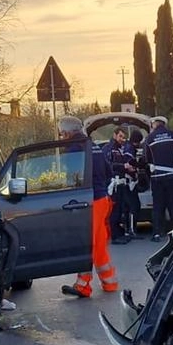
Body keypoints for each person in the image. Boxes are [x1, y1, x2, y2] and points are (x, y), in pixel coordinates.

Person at [58, 116, 119, 298]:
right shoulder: (93, 146)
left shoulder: (74, 149)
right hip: (101, 199)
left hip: (88, 201)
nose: (61, 137)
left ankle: (83, 285)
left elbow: (72, 178)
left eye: (61, 133)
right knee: (98, 243)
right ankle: (110, 283)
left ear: (67, 133)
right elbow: (109, 172)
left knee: (86, 244)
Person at [144, 115, 173, 242]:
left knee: (158, 206)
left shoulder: (150, 138)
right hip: (172, 177)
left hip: (157, 178)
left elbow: (146, 159)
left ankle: (157, 232)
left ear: (155, 124)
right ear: (164, 123)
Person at [104, 127, 133, 244]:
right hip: (114, 184)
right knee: (114, 211)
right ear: (114, 135)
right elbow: (109, 165)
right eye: (120, 136)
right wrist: (124, 166)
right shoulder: (109, 149)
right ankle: (115, 237)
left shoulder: (119, 149)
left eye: (124, 137)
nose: (122, 139)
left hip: (121, 183)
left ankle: (119, 232)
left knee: (120, 209)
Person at [122, 130, 145, 237]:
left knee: (128, 206)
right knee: (134, 206)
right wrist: (140, 164)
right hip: (129, 182)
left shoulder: (127, 146)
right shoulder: (129, 148)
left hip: (128, 182)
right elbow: (129, 161)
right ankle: (131, 230)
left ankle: (128, 230)